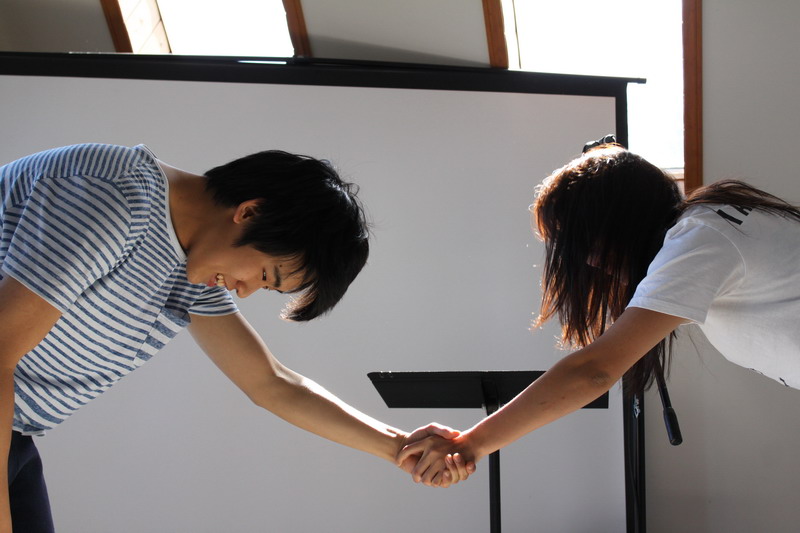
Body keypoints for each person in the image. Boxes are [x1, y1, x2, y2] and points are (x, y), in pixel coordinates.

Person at [0, 143, 469, 532]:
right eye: (265, 274)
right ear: (249, 211)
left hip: (16, 441)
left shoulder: (188, 261)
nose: (244, 291)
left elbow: (271, 383)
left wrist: (399, 447)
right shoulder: (115, 196)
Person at [398, 140, 800, 486]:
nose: (592, 262)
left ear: (617, 223)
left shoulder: (702, 238)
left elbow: (593, 370)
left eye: (585, 243)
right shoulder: (709, 229)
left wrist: (470, 444)